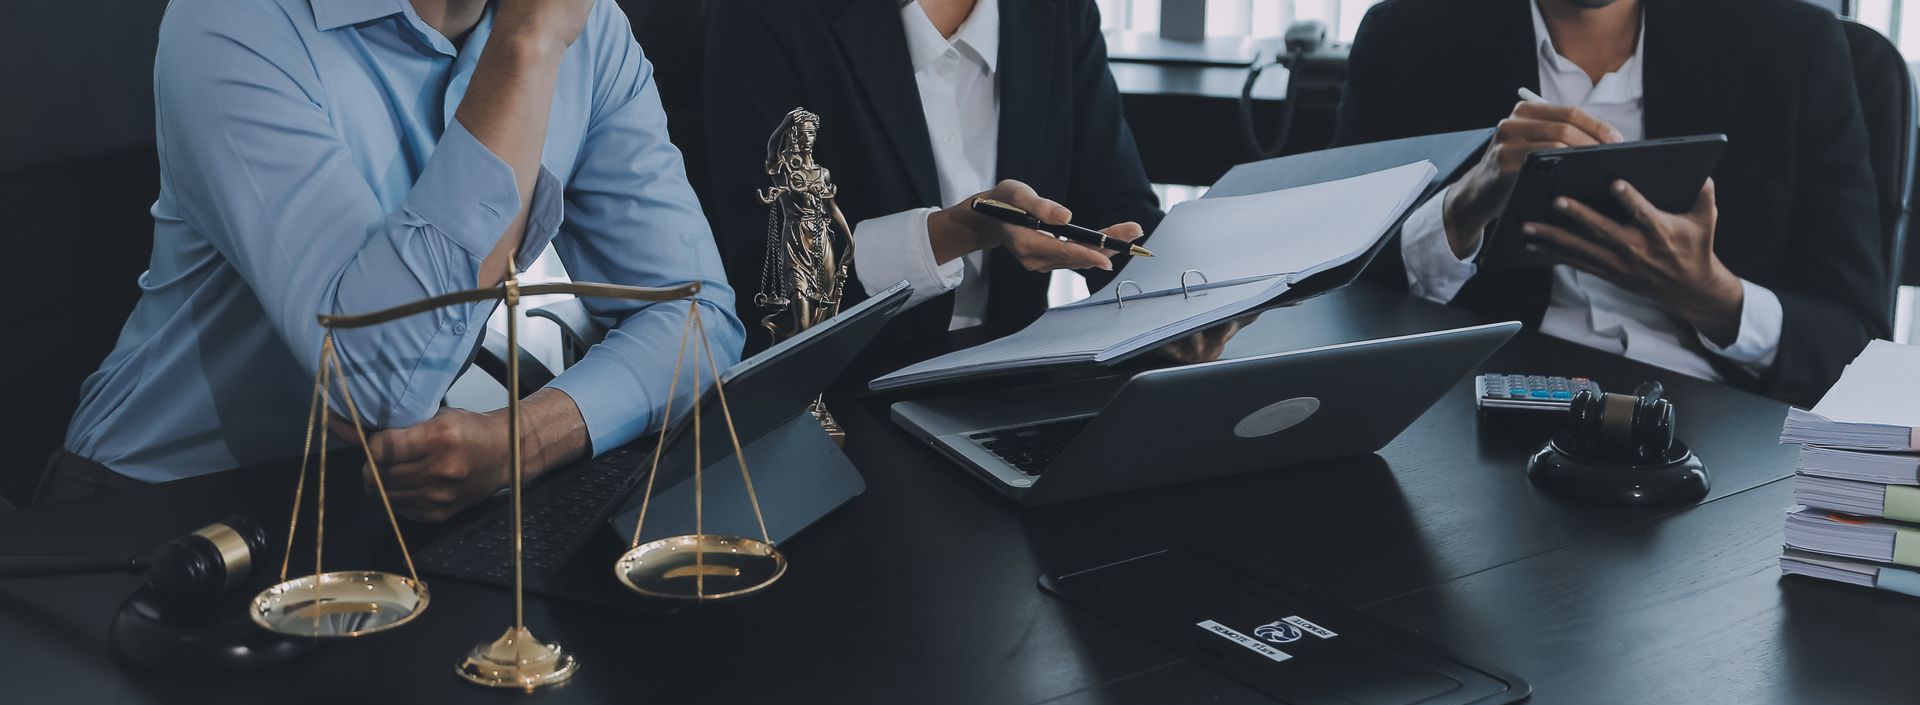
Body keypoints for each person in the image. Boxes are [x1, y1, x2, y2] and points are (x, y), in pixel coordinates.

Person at [46, 0, 744, 522]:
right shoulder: (232, 24)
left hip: (394, 519)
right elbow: (380, 386)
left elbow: (698, 316)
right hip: (155, 523)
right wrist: (525, 49)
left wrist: (521, 441)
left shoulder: (585, 26)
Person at [1335, 0, 1890, 406]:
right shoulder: (1407, 37)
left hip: (1715, 428)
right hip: (1483, 407)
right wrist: (1462, 210)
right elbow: (1340, 294)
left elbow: (1853, 338)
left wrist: (1714, 298)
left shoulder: (1793, 45)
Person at [704, 0, 1246, 376]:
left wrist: (1179, 309)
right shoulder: (767, 15)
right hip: (842, 400)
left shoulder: (1053, 11)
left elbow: (1116, 208)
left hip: (1017, 379)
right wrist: (959, 231)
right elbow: (768, 269)